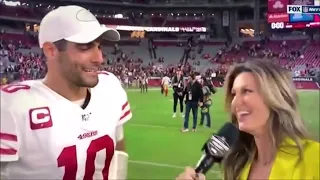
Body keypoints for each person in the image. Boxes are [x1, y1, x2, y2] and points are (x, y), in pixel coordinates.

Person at [0, 5, 132, 179]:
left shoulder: (110, 87)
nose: (99, 58)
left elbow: (118, 152)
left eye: (99, 47)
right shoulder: (11, 106)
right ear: (51, 50)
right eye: (85, 47)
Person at [176, 60, 319, 179]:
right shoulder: (239, 165)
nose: (235, 103)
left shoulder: (314, 158)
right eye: (233, 94)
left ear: (276, 97)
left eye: (247, 91)